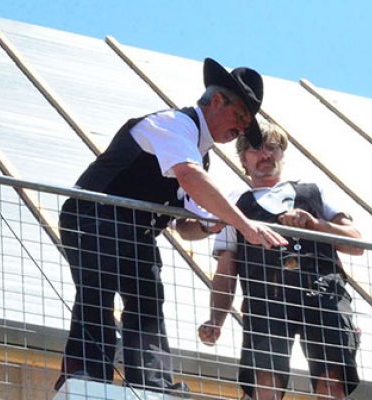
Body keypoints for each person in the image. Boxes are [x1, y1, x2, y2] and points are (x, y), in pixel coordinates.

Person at [56, 58, 288, 393]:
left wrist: (212, 225)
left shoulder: (199, 155)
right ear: (218, 100)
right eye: (239, 117)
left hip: (137, 233)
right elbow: (191, 178)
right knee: (98, 290)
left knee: (148, 300)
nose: (239, 130)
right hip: (94, 216)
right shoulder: (173, 125)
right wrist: (246, 225)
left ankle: (153, 384)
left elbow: (185, 225)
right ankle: (87, 376)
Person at [197, 123, 363, 399]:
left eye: (272, 147)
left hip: (323, 291)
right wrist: (216, 319)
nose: (265, 155)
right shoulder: (234, 204)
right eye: (255, 149)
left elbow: (355, 242)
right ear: (243, 160)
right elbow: (226, 268)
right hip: (266, 297)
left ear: (282, 154)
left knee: (332, 376)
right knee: (266, 378)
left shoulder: (313, 192)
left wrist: (315, 224)